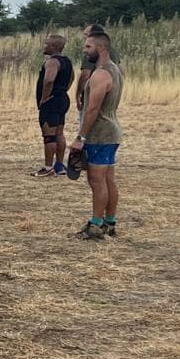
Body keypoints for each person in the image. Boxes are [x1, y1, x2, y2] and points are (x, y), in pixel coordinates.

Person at [71, 31, 124, 240]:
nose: (85, 51)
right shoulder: (116, 70)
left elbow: (92, 109)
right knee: (108, 179)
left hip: (100, 134)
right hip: (112, 131)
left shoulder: (101, 74)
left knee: (97, 180)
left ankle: (95, 225)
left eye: (88, 47)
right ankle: (109, 222)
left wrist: (81, 137)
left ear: (101, 48)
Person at [34, 35, 75, 177]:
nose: (44, 46)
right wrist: (63, 90)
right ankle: (59, 165)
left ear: (53, 47)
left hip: (51, 101)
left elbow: (49, 80)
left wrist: (44, 98)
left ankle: (48, 167)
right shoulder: (67, 61)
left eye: (46, 44)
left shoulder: (52, 62)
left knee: (49, 135)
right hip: (62, 99)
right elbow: (72, 78)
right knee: (59, 133)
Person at [75, 23, 121, 127]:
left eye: (86, 34)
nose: (84, 37)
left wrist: (78, 95)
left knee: (88, 125)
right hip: (109, 98)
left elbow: (85, 75)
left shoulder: (92, 53)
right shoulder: (112, 51)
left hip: (92, 96)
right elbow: (120, 71)